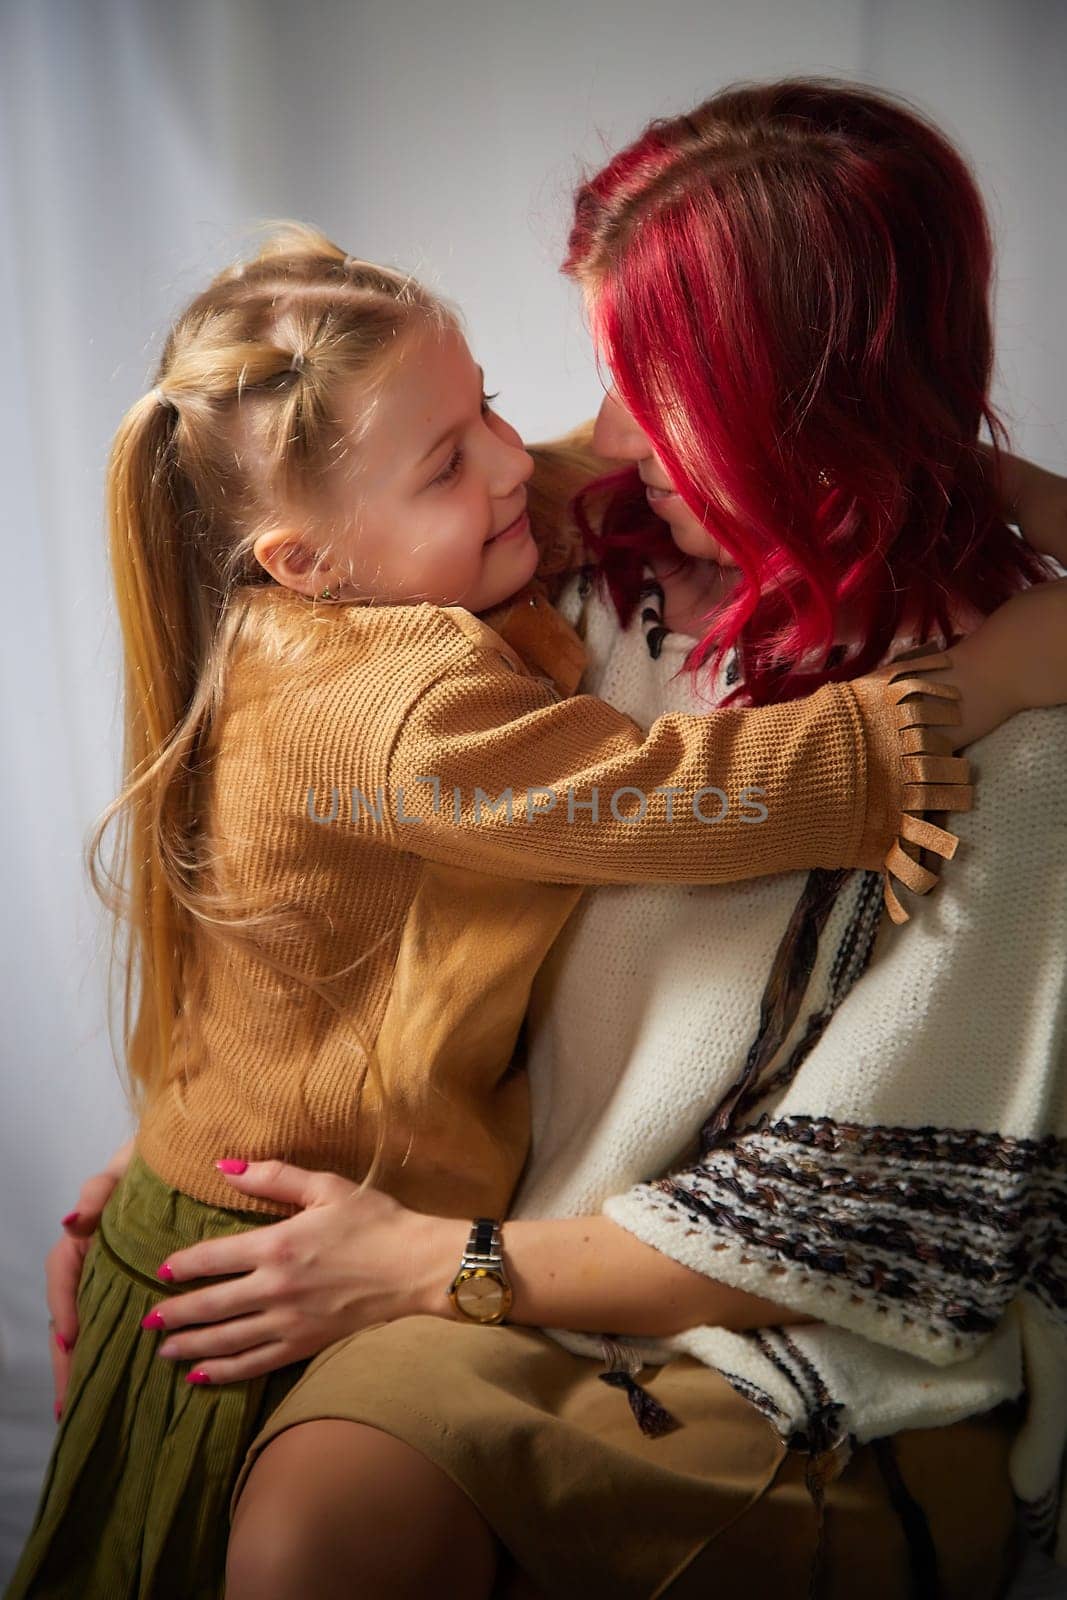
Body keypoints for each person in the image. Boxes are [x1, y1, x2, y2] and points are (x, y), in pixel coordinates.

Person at [17, 79, 1067, 1600]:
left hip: (784, 1340)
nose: (592, 442)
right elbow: (361, 920)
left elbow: (854, 1224)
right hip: (454, 1240)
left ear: (810, 404)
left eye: (657, 383)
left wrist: (438, 1267)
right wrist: (182, 1160)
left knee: (328, 1520)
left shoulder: (1019, 753)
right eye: (595, 375)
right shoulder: (556, 592)